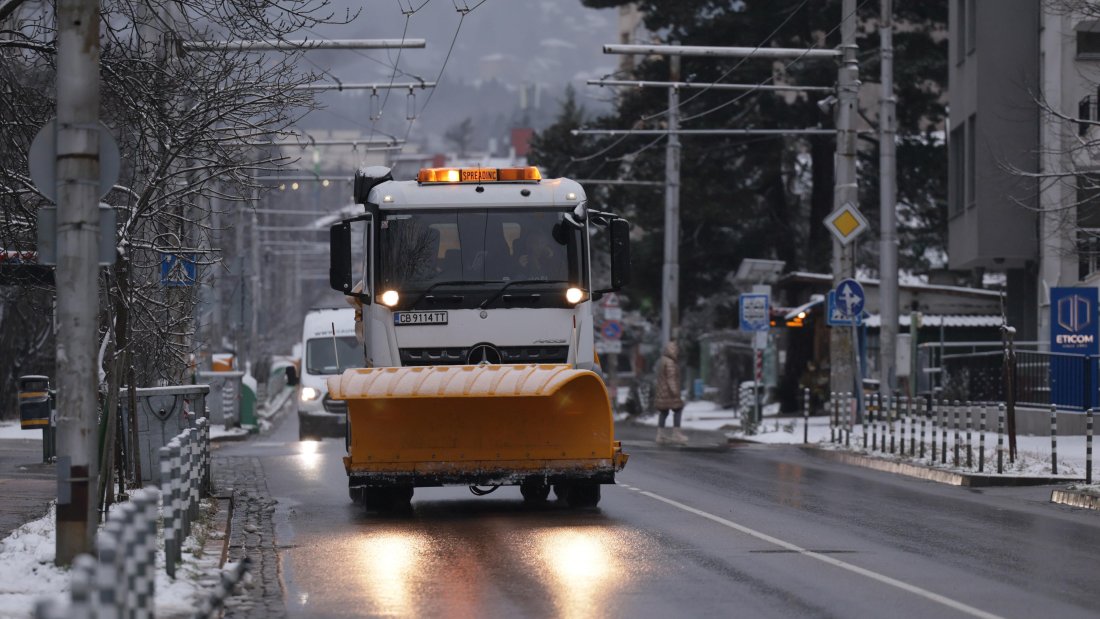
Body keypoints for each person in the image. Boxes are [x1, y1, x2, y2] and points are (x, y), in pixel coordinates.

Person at [653, 341, 688, 445]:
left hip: (662, 392)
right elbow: (671, 379)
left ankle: (660, 435)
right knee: (678, 409)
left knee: (664, 412)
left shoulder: (662, 361)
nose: (676, 352)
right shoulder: (670, 363)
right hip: (669, 393)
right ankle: (676, 434)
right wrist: (676, 392)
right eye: (675, 350)